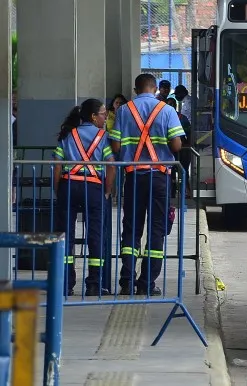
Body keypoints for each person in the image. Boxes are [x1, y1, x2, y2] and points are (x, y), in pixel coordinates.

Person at [109, 73, 185, 296]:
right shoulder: (168, 111)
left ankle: (126, 280)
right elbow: (177, 145)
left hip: (133, 177)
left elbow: (115, 147)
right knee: (157, 229)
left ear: (136, 89)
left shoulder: (124, 111)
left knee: (131, 228)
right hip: (159, 177)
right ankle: (147, 283)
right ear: (154, 89)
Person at [52, 99, 115, 296]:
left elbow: (57, 166)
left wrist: (58, 189)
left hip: (68, 185)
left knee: (65, 235)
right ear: (93, 116)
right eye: (103, 114)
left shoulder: (68, 135)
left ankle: (66, 284)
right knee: (96, 236)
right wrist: (107, 191)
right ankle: (94, 284)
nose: (106, 118)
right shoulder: (103, 137)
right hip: (94, 188)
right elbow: (111, 165)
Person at [166, 97, 192, 199]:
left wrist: (188, 144)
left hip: (182, 150)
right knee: (170, 172)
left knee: (183, 171)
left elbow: (189, 133)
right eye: (169, 104)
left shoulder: (183, 118)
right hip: (168, 150)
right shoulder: (163, 117)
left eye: (173, 104)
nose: (171, 106)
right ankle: (171, 193)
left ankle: (185, 192)